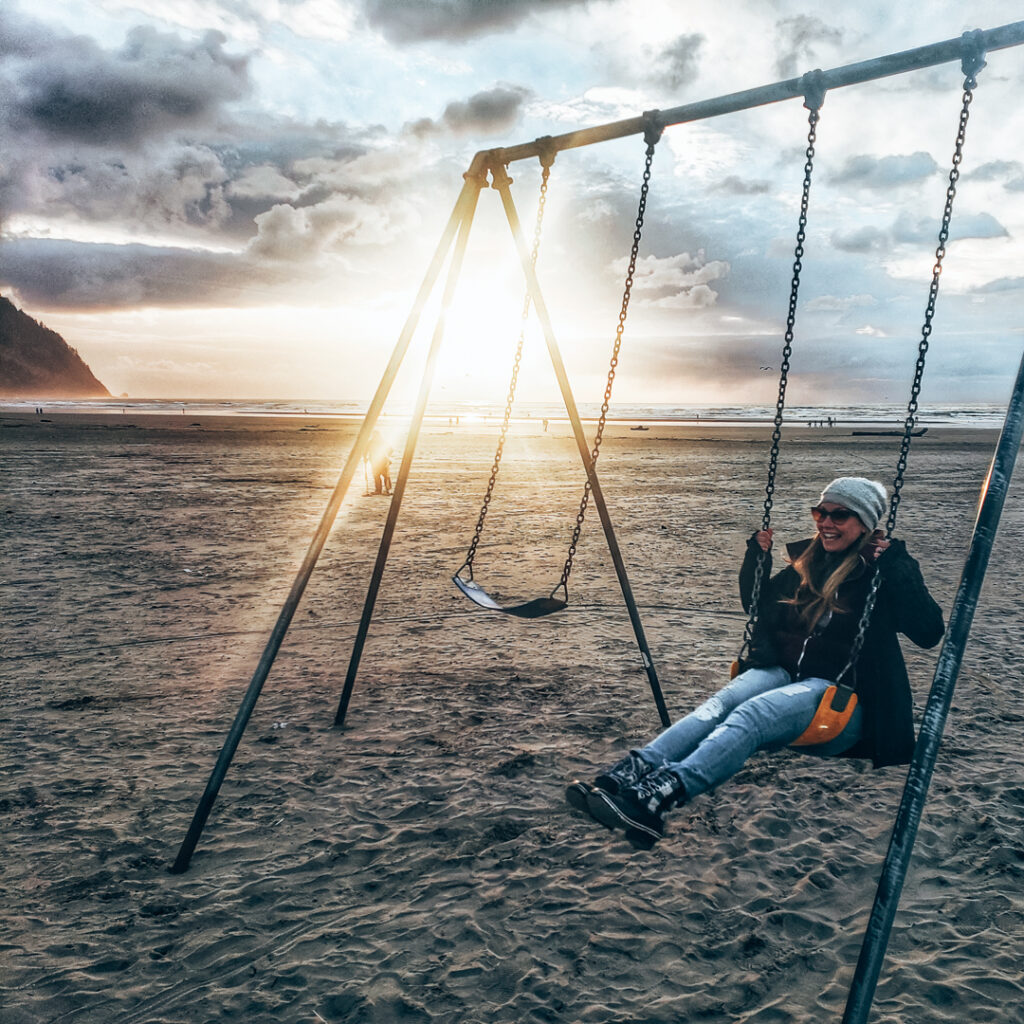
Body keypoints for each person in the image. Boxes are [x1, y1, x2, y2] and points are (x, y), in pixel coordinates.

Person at [566, 476, 944, 849]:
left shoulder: (883, 570)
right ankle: (628, 775)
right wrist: (757, 558)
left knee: (753, 715)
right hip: (785, 674)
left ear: (864, 523)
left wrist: (898, 565)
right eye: (821, 512)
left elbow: (929, 632)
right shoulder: (810, 562)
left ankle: (657, 797)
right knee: (721, 704)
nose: (826, 523)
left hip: (841, 702)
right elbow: (756, 603)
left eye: (840, 515)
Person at [366, 430, 392, 495]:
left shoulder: (383, 442)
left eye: (376, 435)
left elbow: (391, 450)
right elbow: (365, 450)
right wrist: (365, 457)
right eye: (374, 435)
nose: (375, 436)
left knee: (385, 475)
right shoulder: (370, 442)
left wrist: (387, 456)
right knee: (376, 475)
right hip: (374, 461)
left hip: (383, 461)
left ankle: (387, 489)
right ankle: (378, 490)